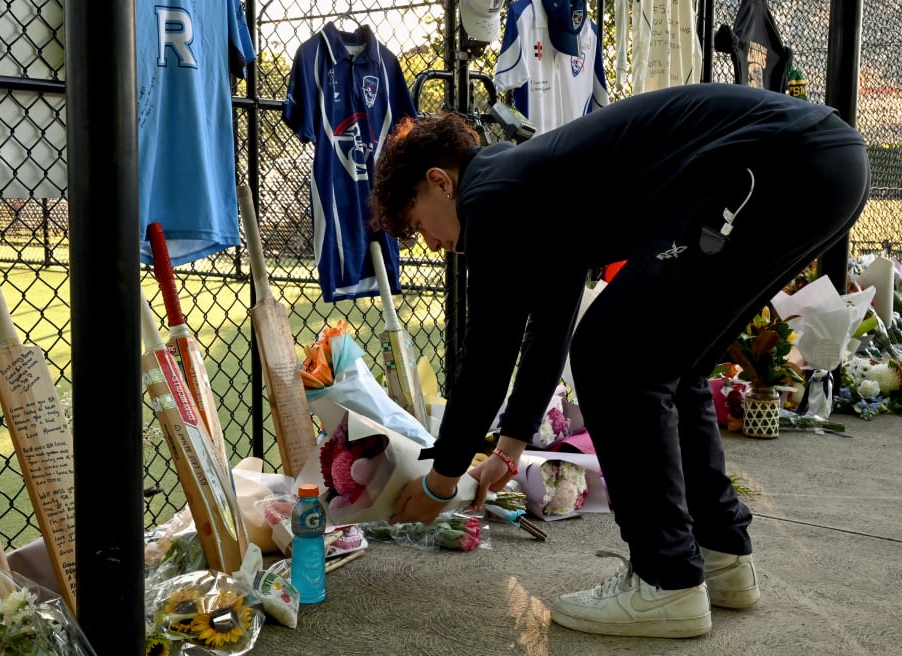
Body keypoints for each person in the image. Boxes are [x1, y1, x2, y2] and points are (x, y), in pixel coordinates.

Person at [373, 83, 870, 639]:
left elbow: (488, 351)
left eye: (419, 225)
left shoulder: (488, 196)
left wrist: (441, 483)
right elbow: (549, 329)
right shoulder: (528, 192)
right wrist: (507, 450)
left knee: (614, 355)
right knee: (667, 365)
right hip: (819, 162)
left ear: (440, 181)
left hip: (775, 164)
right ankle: (720, 554)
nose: (434, 244)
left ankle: (665, 581)